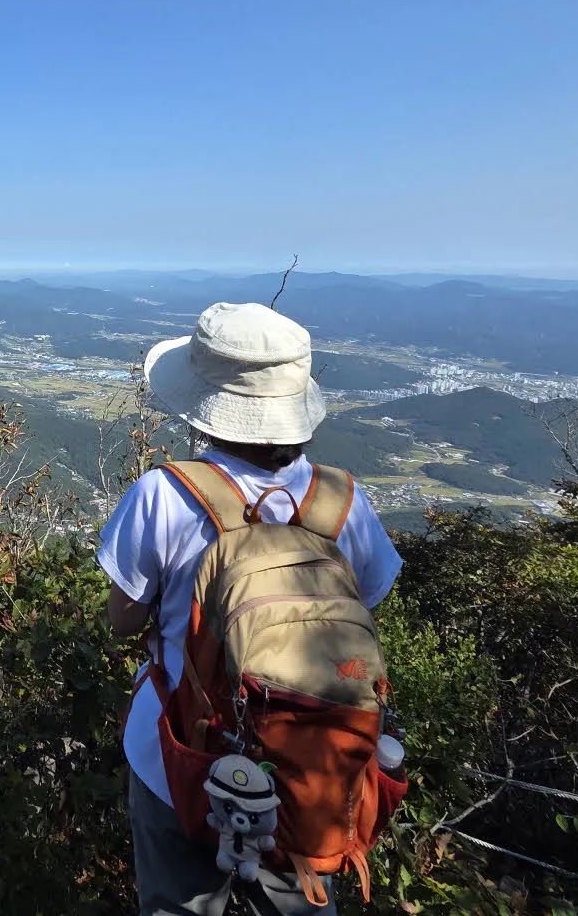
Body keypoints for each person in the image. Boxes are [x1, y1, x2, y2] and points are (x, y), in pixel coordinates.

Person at [99, 302, 403, 916]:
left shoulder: (166, 494)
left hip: (177, 752)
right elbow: (362, 610)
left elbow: (123, 619)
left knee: (176, 901)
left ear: (207, 404)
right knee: (298, 896)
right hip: (306, 763)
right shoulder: (343, 502)